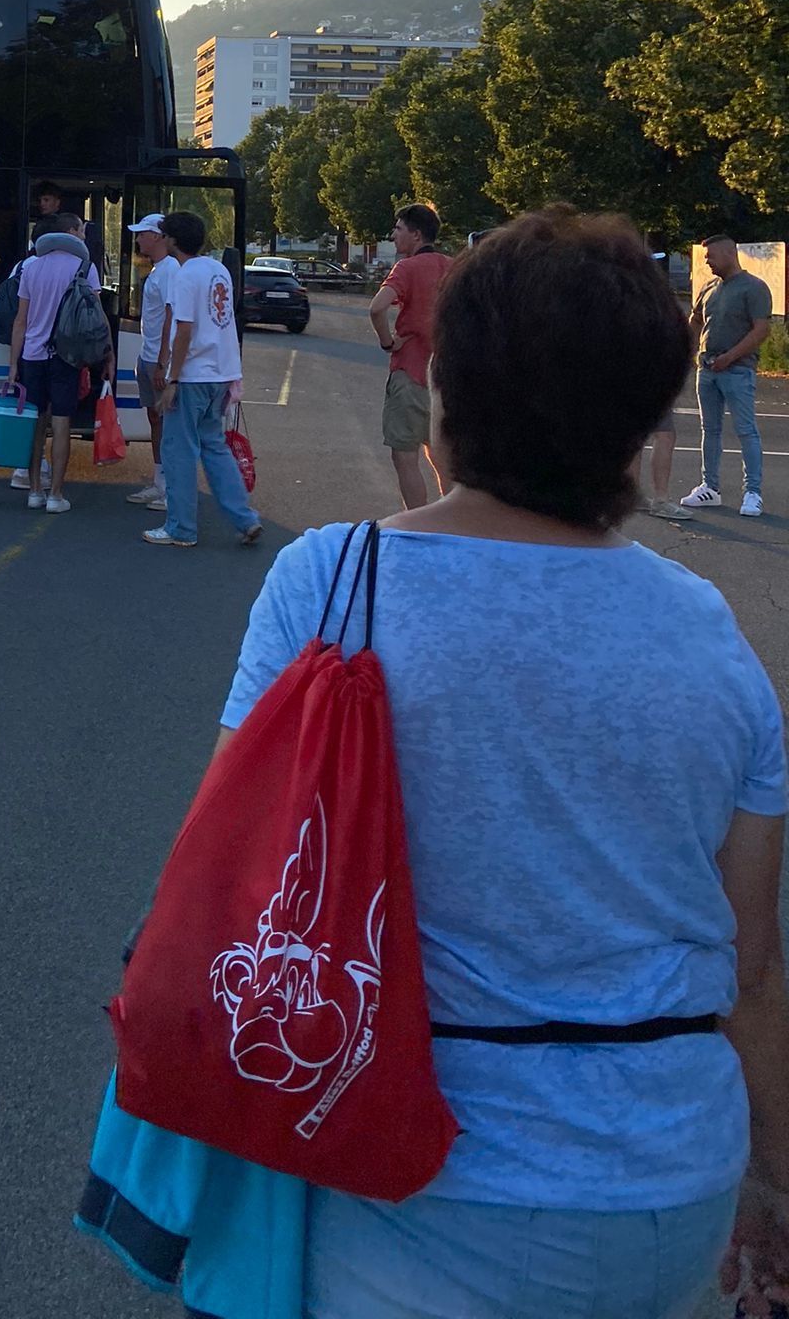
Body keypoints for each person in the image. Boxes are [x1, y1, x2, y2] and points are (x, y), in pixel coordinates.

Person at [130, 210, 789, 1319]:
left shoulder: (334, 581)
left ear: (447, 387)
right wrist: (772, 1179)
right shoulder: (712, 631)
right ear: (637, 425)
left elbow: (233, 856)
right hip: (671, 1181)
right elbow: (754, 964)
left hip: (411, 1162)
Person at [142, 212, 261, 549]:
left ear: (172, 240)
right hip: (222, 372)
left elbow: (184, 331)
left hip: (193, 374)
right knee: (214, 447)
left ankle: (181, 528)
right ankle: (245, 518)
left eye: (163, 235)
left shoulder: (183, 276)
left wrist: (173, 378)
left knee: (178, 449)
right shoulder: (217, 269)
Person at [7, 215, 110, 516]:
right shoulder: (84, 268)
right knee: (62, 423)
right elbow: (96, 317)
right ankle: (56, 495)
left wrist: (13, 364)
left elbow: (20, 321)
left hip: (32, 356)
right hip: (67, 356)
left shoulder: (31, 267)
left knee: (36, 424)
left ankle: (35, 491)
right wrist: (108, 356)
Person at [369, 202, 454, 509]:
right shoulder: (454, 266)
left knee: (405, 456)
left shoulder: (406, 269)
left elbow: (377, 308)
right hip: (447, 380)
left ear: (416, 235)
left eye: (399, 228)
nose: (394, 235)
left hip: (411, 374)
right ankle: (452, 523)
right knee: (444, 458)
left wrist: (387, 342)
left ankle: (419, 525)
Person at [683, 234, 774, 519]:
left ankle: (753, 493)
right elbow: (696, 319)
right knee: (709, 430)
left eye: (710, 256)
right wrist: (692, 349)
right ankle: (709, 487)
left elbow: (761, 330)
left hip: (738, 370)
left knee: (746, 431)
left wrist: (730, 357)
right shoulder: (709, 287)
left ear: (727, 253)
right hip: (707, 370)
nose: (707, 261)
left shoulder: (755, 288)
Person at [124, 214, 176, 512]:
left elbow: (171, 315)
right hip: (149, 355)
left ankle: (170, 489)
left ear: (157, 236)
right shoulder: (159, 269)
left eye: (143, 233)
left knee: (167, 424)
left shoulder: (169, 271)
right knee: (155, 420)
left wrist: (161, 363)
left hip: (157, 359)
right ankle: (159, 482)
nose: (139, 238)